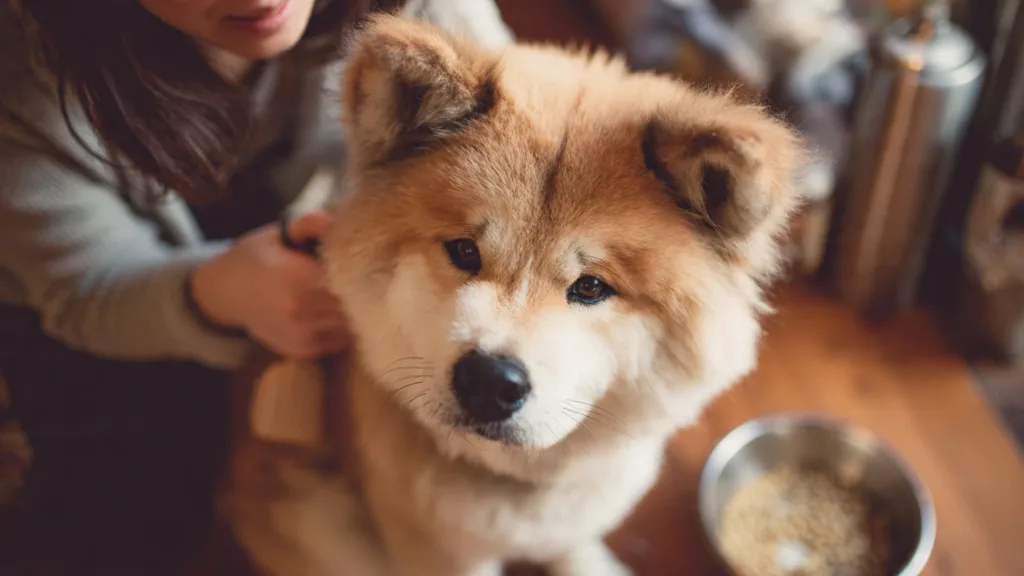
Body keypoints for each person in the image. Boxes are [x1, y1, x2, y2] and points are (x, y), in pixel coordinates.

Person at [0, 1, 512, 575]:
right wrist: (216, 292)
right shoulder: (21, 82)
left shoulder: (419, 14)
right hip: (94, 296)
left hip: (301, 244)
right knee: (133, 526)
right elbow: (85, 287)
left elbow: (519, 121)